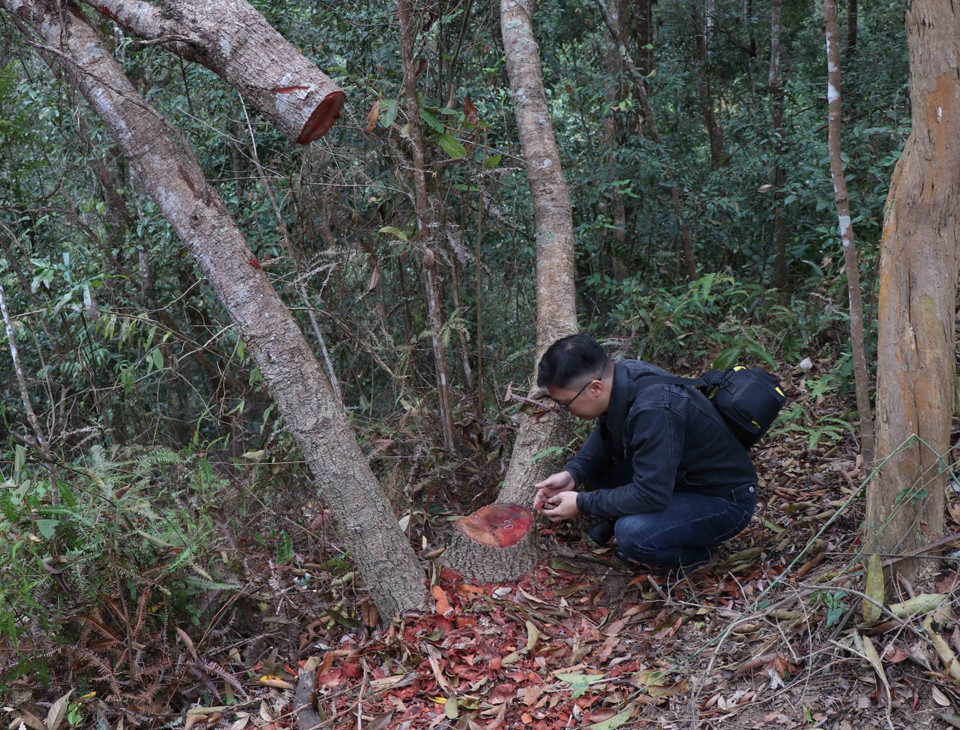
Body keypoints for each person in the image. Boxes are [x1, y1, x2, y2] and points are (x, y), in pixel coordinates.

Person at [532, 334, 758, 568]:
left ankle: (697, 557)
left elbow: (651, 493)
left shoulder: (653, 408)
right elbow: (604, 437)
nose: (564, 410)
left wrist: (583, 503)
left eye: (565, 404)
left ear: (595, 388)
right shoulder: (622, 375)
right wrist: (572, 474)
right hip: (680, 480)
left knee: (632, 534)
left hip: (724, 500)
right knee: (596, 469)